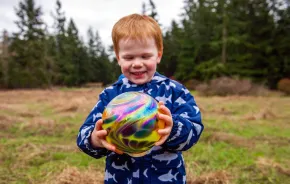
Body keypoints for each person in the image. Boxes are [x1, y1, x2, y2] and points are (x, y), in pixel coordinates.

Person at [77, 13, 203, 184]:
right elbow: (84, 135)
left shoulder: (174, 91)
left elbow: (194, 130)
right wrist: (95, 139)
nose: (137, 63)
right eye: (129, 57)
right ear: (118, 58)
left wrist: (172, 129)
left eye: (145, 56)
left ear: (158, 55)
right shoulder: (111, 95)